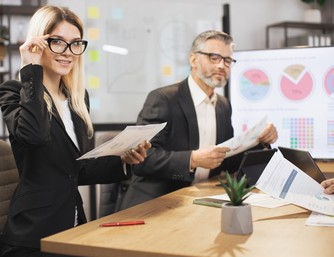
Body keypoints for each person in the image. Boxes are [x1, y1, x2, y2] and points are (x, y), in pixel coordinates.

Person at [0, 5, 150, 257]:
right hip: (35, 237)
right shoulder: (14, 92)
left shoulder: (77, 99)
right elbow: (35, 136)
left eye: (75, 43)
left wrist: (124, 160)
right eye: (57, 42)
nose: (68, 53)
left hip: (75, 226)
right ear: (38, 42)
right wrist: (30, 69)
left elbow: (79, 170)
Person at [119, 30, 278, 210]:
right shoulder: (163, 99)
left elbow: (226, 160)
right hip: (157, 203)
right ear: (193, 60)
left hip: (201, 198)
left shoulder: (223, 106)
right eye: (213, 57)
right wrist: (192, 159)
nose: (221, 66)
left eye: (227, 60)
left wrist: (259, 140)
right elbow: (142, 160)